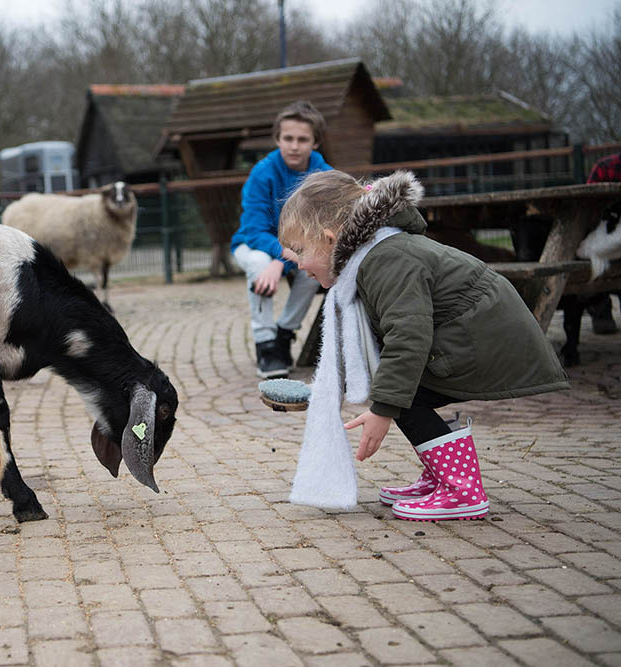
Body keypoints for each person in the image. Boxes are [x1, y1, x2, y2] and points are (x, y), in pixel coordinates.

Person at [279, 170, 568, 521]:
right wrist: (330, 390)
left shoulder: (386, 259)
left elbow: (408, 337)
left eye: (298, 249)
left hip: (483, 340)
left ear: (328, 238)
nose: (293, 259)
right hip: (468, 337)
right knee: (397, 389)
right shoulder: (372, 256)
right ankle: (442, 477)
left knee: (400, 393)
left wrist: (383, 408)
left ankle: (461, 490)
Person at [231, 101, 330, 379]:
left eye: (303, 139)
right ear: (277, 139)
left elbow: (320, 229)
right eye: (288, 138)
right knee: (261, 262)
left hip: (296, 249)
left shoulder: (323, 176)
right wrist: (278, 257)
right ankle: (265, 344)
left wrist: (285, 258)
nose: (294, 146)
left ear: (316, 142)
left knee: (315, 265)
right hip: (253, 246)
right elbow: (254, 230)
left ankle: (284, 335)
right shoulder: (262, 173)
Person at [584, 152, 621, 334]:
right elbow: (589, 206)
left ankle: (600, 311)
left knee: (588, 252)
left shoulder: (605, 166)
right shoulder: (606, 167)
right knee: (588, 252)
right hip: (607, 232)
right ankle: (600, 309)